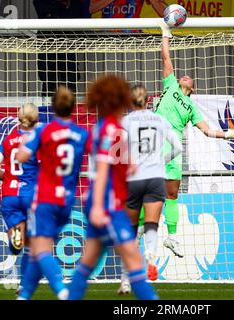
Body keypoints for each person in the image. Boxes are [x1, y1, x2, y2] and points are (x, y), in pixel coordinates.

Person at [155, 22, 234, 258]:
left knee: (172, 194)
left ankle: (172, 237)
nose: (186, 75)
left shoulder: (191, 108)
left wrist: (230, 134)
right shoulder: (170, 86)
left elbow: (208, 131)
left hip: (174, 151)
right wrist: (166, 35)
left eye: (189, 78)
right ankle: (137, 231)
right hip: (154, 142)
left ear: (192, 88)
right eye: (183, 76)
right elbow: (166, 58)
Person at [67, 75, 158, 300]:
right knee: (134, 261)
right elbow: (103, 168)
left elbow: (118, 163)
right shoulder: (112, 130)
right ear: (120, 100)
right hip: (107, 205)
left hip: (101, 202)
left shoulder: (100, 129)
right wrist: (99, 205)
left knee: (87, 263)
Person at [15, 86, 90, 300]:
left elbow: (21, 157)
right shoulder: (81, 133)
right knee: (42, 250)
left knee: (40, 249)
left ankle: (62, 291)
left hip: (46, 198)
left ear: (52, 106)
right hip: (66, 200)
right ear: (73, 108)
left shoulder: (43, 131)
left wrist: (23, 141)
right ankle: (24, 296)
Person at [117, 84, 182, 294]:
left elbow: (117, 152)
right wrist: (161, 161)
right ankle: (151, 256)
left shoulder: (126, 121)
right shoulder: (160, 120)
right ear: (148, 101)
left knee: (131, 230)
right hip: (156, 177)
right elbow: (178, 147)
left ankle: (126, 280)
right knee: (152, 224)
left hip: (134, 178)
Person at [0, 103, 39, 291]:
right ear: (37, 119)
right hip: (31, 195)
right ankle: (23, 284)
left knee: (19, 242)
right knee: (32, 245)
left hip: (10, 195)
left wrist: (9, 178)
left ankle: (15, 242)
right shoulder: (36, 141)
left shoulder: (8, 140)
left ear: (19, 118)